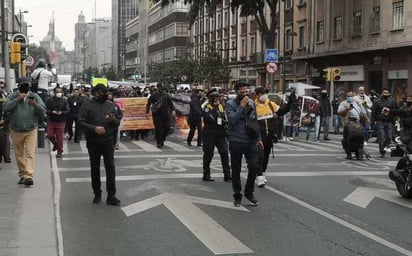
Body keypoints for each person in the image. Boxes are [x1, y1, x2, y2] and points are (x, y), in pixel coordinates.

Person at [78, 84, 121, 205]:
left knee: (110, 167)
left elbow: (117, 121)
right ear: (96, 93)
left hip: (108, 141)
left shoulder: (111, 105)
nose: (105, 95)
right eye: (102, 92)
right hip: (93, 142)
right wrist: (94, 128)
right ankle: (97, 193)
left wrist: (113, 120)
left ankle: (111, 195)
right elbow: (81, 122)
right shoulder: (87, 105)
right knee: (95, 168)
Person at [225, 81, 263, 207]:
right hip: (236, 140)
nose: (245, 94)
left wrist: (259, 138)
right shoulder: (230, 104)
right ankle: (237, 195)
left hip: (250, 140)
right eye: (242, 92)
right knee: (236, 169)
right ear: (237, 91)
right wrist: (241, 106)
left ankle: (249, 192)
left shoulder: (252, 103)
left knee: (253, 166)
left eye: (247, 91)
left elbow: (255, 122)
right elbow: (232, 120)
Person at [3, 78, 46, 186]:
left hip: (31, 129)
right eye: (23, 85)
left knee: (30, 153)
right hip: (16, 129)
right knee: (19, 154)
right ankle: (22, 174)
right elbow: (5, 108)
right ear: (18, 86)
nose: (25, 87)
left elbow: (43, 111)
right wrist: (18, 99)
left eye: (27, 85)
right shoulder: (13, 96)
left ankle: (28, 176)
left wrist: (35, 105)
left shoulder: (34, 96)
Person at [254, 87, 294, 187]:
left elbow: (281, 111)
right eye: (262, 93)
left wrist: (290, 102)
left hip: (269, 136)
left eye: (266, 93)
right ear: (257, 95)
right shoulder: (253, 106)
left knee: (266, 156)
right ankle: (259, 177)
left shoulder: (270, 104)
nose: (264, 95)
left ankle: (262, 173)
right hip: (258, 136)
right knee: (260, 156)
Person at [201, 88, 231, 182]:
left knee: (224, 153)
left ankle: (227, 174)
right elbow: (210, 119)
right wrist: (214, 109)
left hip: (220, 134)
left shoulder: (221, 106)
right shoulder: (206, 107)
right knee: (209, 153)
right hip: (210, 133)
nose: (217, 100)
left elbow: (224, 118)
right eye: (215, 98)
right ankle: (206, 174)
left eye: (218, 98)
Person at [145, 84, 176, 148]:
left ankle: (162, 138)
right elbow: (149, 103)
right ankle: (159, 142)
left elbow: (170, 104)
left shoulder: (166, 95)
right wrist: (147, 112)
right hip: (156, 114)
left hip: (165, 114)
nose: (161, 89)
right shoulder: (154, 95)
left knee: (167, 127)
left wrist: (173, 110)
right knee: (158, 128)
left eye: (162, 88)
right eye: (160, 87)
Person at [371, 88, 398, 158]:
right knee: (382, 137)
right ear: (382, 93)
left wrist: (395, 120)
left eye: (387, 93)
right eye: (384, 93)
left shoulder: (392, 101)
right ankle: (382, 151)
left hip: (389, 121)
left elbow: (396, 110)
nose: (386, 94)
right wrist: (372, 122)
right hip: (380, 121)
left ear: (389, 94)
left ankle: (386, 146)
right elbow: (373, 112)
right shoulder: (377, 101)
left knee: (389, 137)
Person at [46, 86, 69, 157]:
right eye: (57, 92)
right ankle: (55, 144)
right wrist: (51, 112)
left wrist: (62, 112)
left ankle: (60, 151)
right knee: (50, 135)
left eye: (60, 92)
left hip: (61, 121)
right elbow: (46, 109)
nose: (59, 93)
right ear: (54, 92)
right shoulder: (49, 100)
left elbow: (68, 110)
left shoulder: (65, 100)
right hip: (52, 120)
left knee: (60, 137)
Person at [0, 81, 11, 163]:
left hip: (5, 122)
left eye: (2, 87)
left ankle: (7, 157)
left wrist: (5, 120)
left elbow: (10, 110)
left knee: (6, 140)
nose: (1, 89)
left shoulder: (7, 96)